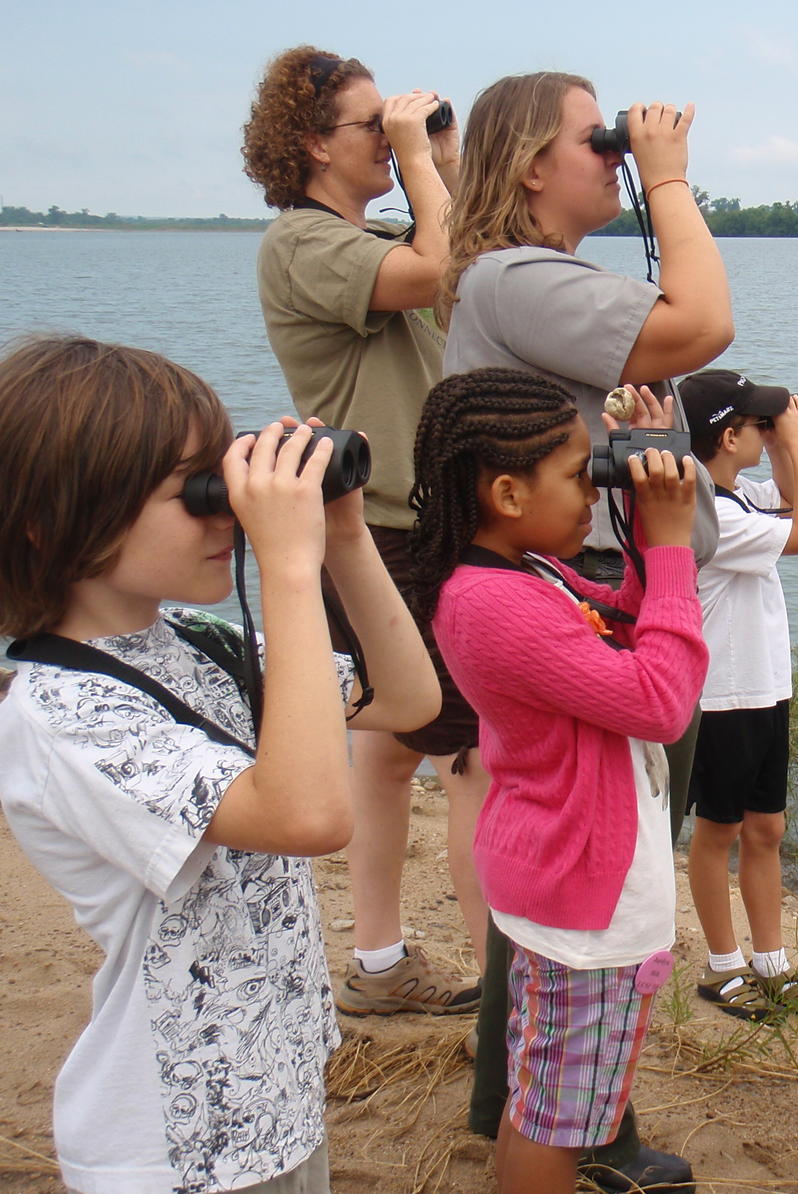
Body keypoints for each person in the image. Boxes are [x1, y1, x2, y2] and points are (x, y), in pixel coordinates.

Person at [0, 335, 441, 1193]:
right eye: (195, 491)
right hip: (175, 1136)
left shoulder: (193, 644)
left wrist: (344, 538)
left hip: (274, 1092)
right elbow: (308, 817)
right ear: (56, 524)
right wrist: (285, 559)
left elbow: (407, 699)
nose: (226, 511)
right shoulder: (61, 713)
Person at [438, 70, 732, 1185]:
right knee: (579, 890)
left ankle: (575, 1116)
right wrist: (667, 180)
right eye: (592, 138)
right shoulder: (514, 277)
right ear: (525, 164)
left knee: (584, 892)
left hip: (597, 600)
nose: (611, 150)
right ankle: (550, 1123)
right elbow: (703, 322)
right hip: (594, 617)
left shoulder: (529, 282)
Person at [407, 367, 708, 1194]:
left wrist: (648, 521)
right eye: (581, 476)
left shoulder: (521, 574)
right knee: (561, 1118)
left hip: (561, 875)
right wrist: (677, 543)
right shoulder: (494, 602)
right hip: (582, 896)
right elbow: (662, 698)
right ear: (507, 491)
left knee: (548, 1097)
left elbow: (631, 628)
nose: (591, 492)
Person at [242, 45, 486, 1016]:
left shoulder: (376, 230)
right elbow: (431, 265)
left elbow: (467, 263)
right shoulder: (301, 243)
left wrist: (445, 158)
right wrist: (423, 165)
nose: (390, 139)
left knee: (389, 752)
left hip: (411, 522)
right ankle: (509, 999)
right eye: (369, 124)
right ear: (311, 143)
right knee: (476, 759)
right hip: (391, 530)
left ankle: (379, 965)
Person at [676, 368, 798, 1022]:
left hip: (765, 686)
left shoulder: (738, 493)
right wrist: (794, 439)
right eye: (754, 423)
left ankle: (772, 963)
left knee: (767, 827)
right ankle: (722, 968)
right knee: (718, 832)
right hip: (718, 695)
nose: (764, 432)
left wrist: (780, 443)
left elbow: (795, 500)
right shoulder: (709, 512)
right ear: (723, 435)